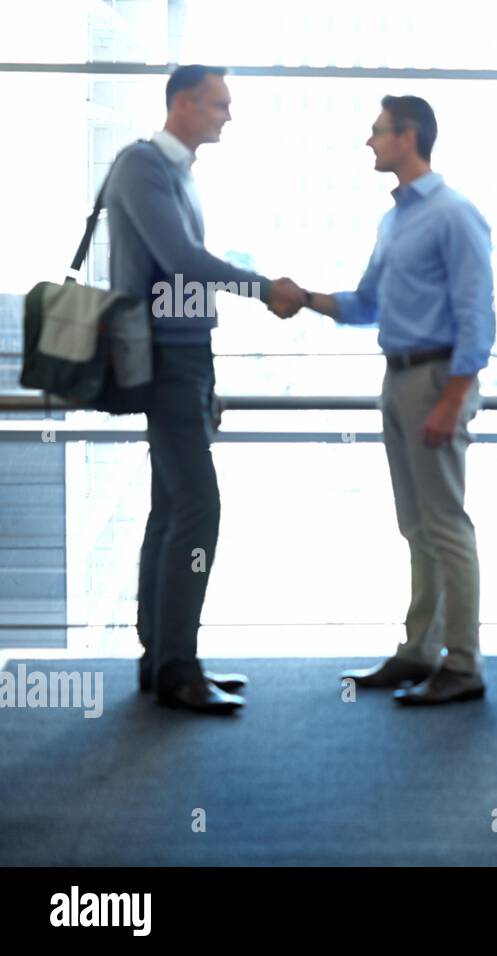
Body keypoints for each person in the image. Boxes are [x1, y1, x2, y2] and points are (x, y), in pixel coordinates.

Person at [107, 64, 307, 715]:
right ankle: (177, 667)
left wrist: (209, 380)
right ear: (185, 102)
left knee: (171, 509)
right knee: (198, 507)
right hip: (164, 361)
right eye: (220, 103)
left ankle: (160, 658)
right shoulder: (142, 167)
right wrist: (266, 287)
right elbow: (182, 262)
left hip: (187, 358)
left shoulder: (180, 175)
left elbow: (186, 283)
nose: (228, 115)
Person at [304, 95, 495, 706]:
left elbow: (477, 317)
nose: (370, 142)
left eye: (377, 132)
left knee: (446, 524)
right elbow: (368, 304)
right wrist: (303, 297)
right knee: (416, 527)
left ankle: (462, 665)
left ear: (408, 136)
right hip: (398, 378)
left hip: (438, 381)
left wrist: (454, 398)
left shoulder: (453, 214)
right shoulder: (394, 221)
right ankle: (420, 652)